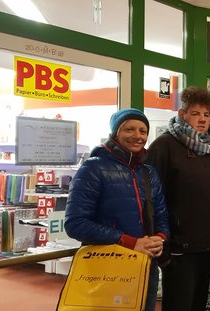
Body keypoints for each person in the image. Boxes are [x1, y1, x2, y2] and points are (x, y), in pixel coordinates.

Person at [65, 108, 169, 311]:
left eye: (142, 131)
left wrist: (160, 238)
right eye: (129, 129)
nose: (137, 136)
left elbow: (161, 214)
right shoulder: (93, 168)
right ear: (115, 133)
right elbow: (75, 224)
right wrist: (130, 242)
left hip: (146, 266)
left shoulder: (148, 172)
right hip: (108, 268)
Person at [146, 86, 210, 311]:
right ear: (182, 114)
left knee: (204, 307)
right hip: (179, 250)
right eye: (195, 114)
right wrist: (164, 250)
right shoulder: (163, 147)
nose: (202, 119)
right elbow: (153, 200)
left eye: (206, 114)